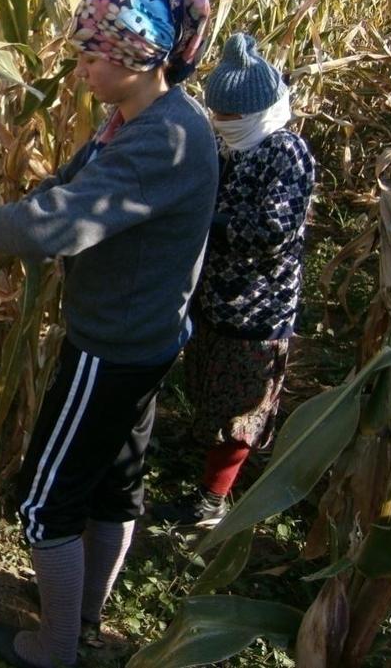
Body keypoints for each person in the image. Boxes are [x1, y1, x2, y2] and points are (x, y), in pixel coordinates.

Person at [0, 0, 216, 668]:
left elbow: (59, 227)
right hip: (147, 341)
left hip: (110, 350)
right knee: (114, 485)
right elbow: (68, 188)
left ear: (136, 56)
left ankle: (53, 647)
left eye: (88, 57)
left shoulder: (163, 141)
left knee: (46, 503)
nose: (78, 71)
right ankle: (82, 616)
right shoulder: (139, 120)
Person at [151, 33, 316, 527]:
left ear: (259, 113)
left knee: (241, 406)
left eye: (231, 118)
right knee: (209, 380)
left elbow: (273, 229)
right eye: (217, 116)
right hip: (216, 296)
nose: (222, 125)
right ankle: (203, 446)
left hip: (257, 308)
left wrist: (206, 223)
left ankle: (211, 501)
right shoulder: (234, 148)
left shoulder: (285, 152)